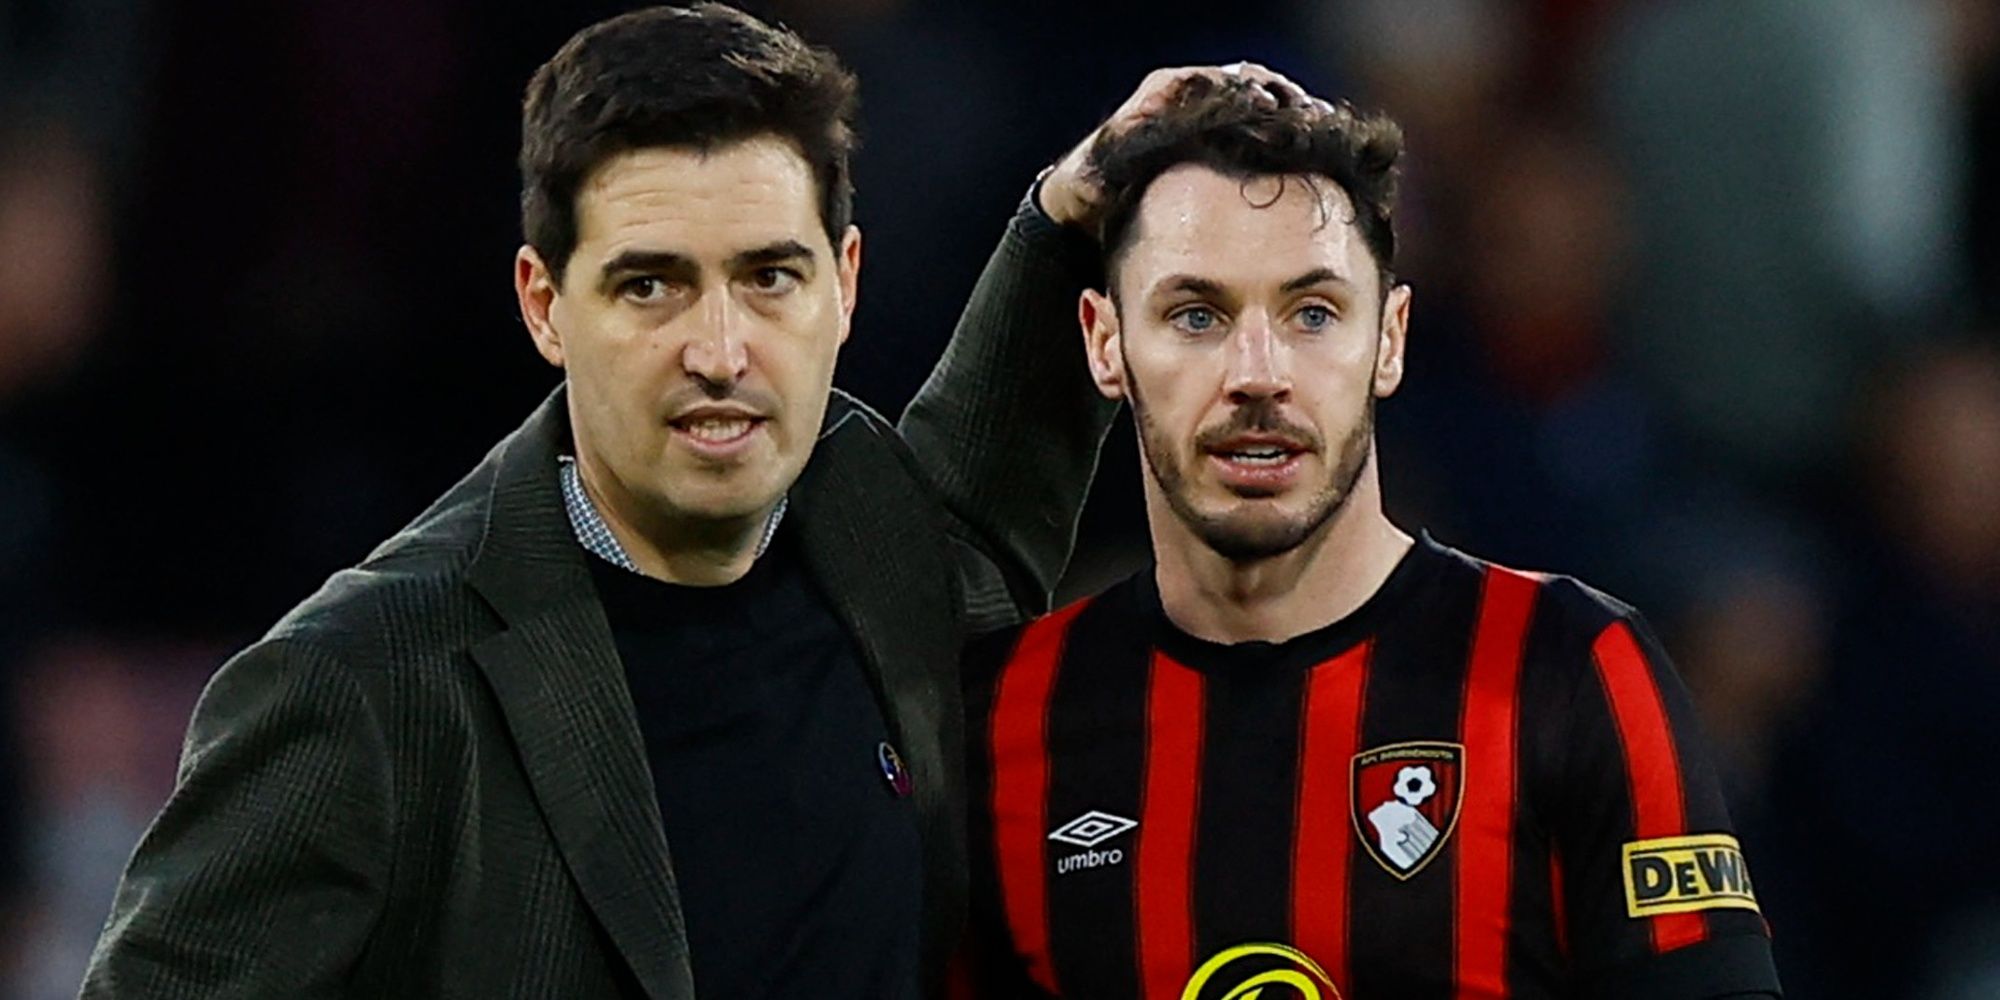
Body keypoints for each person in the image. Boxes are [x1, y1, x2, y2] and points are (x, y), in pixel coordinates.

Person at [72, 4, 1180, 997]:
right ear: (544, 304)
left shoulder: (880, 535)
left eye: (768, 277)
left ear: (844, 282)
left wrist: (1066, 216)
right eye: (649, 284)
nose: (718, 349)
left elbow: (991, 478)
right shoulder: (366, 681)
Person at [957, 78, 1782, 999]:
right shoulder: (1000, 717)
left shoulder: (1569, 669)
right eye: (1197, 315)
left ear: (1389, 339)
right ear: (1104, 343)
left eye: (1313, 313)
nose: (1257, 374)